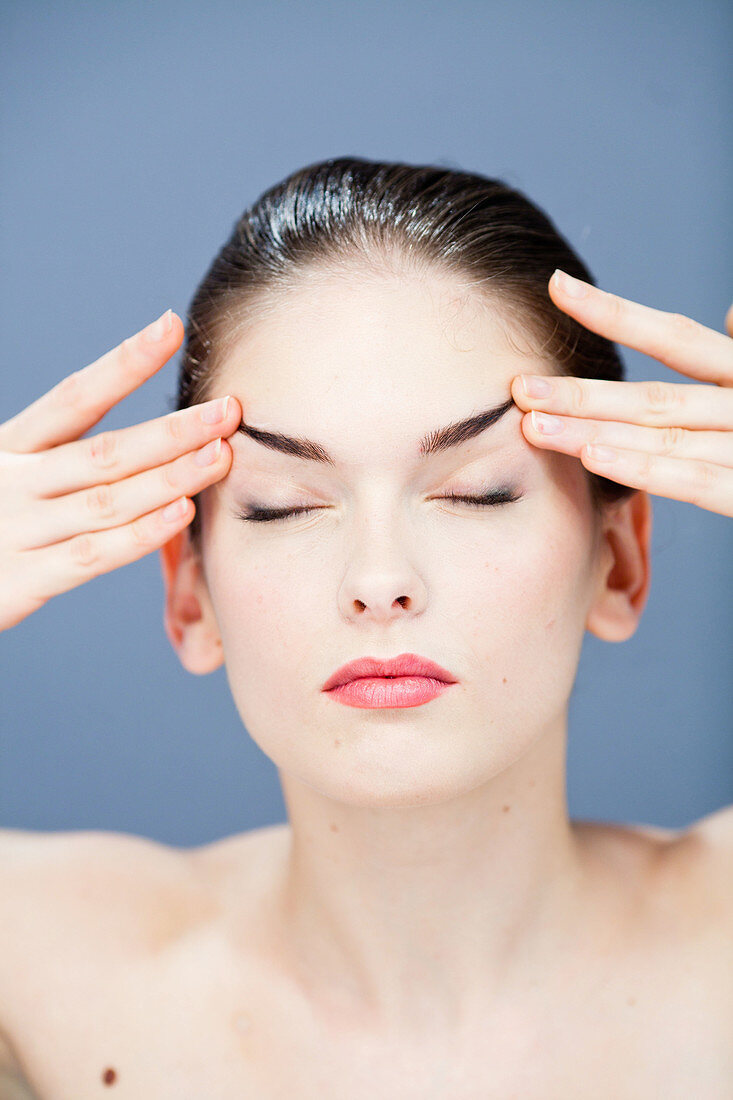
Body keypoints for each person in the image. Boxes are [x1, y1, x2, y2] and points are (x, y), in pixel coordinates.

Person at [0, 157, 731, 1096]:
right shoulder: (37, 967)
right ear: (189, 594)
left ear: (619, 560)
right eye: (283, 506)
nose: (379, 580)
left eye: (474, 492)